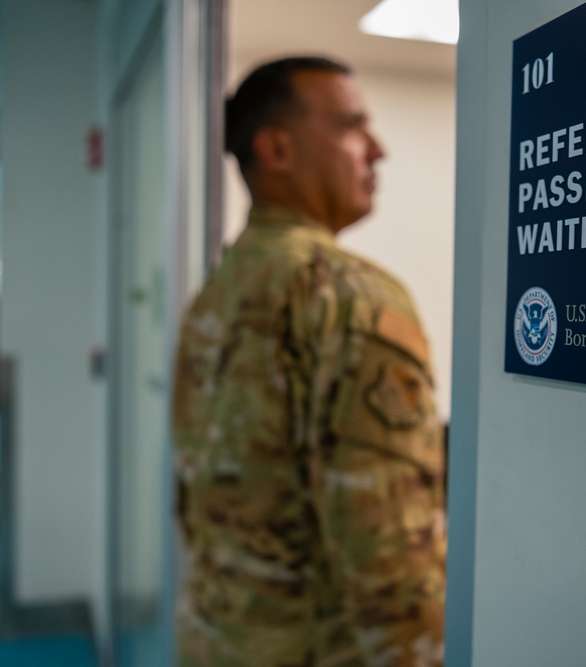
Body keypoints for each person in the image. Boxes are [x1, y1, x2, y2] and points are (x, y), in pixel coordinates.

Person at [172, 56, 446, 667]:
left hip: (215, 641)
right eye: (352, 127)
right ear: (277, 150)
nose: (377, 150)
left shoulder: (215, 296)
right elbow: (390, 559)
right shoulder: (350, 294)